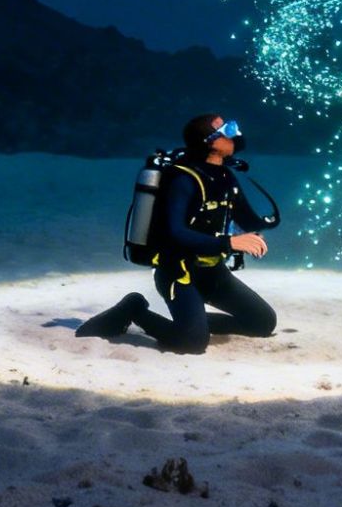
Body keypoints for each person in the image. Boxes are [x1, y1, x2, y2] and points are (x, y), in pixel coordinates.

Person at [75, 113, 277, 354]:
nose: (235, 134)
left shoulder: (225, 177)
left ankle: (194, 324)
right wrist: (231, 242)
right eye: (227, 130)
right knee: (192, 343)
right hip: (179, 272)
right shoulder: (183, 180)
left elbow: (247, 219)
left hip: (213, 273)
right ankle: (135, 310)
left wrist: (261, 228)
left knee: (263, 322)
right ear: (209, 141)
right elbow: (176, 233)